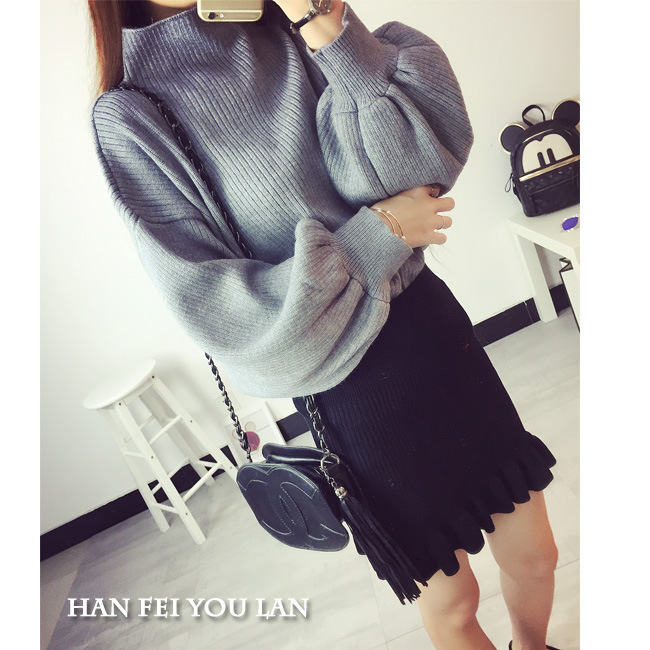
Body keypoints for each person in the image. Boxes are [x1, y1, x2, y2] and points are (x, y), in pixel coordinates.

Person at [87, 1, 560, 648]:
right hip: (344, 380)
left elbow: (416, 170)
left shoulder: (291, 24)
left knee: (536, 553)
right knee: (453, 602)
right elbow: (218, 308)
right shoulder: (131, 115)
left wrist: (327, 25)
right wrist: (379, 235)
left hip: (428, 325)